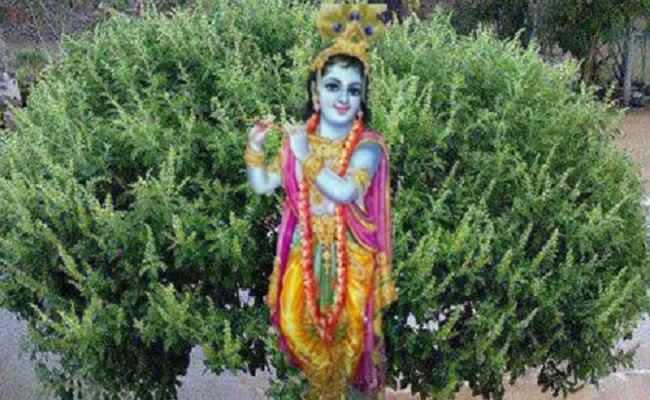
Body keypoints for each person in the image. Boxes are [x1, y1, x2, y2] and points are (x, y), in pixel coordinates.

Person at [244, 5, 397, 399]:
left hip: (353, 256)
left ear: (362, 99)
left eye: (353, 90)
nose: (342, 98)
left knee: (352, 346)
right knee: (294, 326)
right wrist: (255, 148)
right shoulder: (297, 144)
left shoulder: (368, 147)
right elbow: (263, 184)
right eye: (333, 86)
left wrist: (306, 156)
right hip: (305, 252)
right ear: (315, 92)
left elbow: (345, 191)